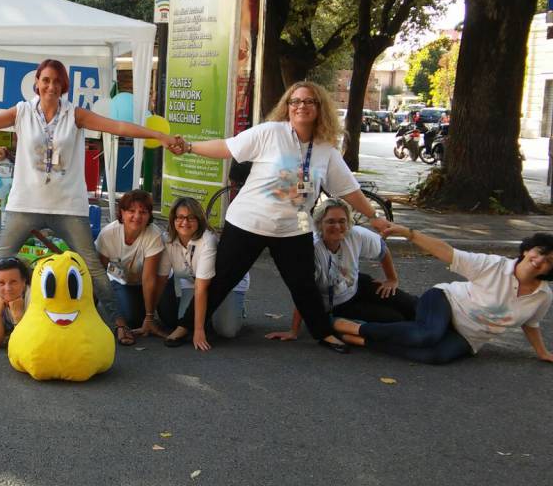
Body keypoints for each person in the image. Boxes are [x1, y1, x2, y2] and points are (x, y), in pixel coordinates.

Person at [0, 59, 185, 346]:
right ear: (37, 83)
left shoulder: (75, 115)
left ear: (64, 85)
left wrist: (159, 136)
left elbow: (117, 126)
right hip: (25, 204)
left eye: (57, 81)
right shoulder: (22, 112)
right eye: (46, 80)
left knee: (91, 266)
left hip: (68, 206)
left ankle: (118, 323)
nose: (51, 86)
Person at [181, 80, 390, 352]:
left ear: (319, 108)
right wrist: (188, 147)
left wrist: (373, 216)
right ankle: (186, 326)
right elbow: (227, 147)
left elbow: (348, 189)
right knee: (223, 278)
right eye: (295, 101)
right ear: (287, 107)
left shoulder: (325, 149)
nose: (301, 106)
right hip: (249, 220)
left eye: (308, 101)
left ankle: (323, 333)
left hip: (295, 225)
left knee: (303, 284)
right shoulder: (270, 132)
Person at [333, 228, 553, 365]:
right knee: (427, 335)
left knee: (435, 356)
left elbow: (531, 323)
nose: (540, 260)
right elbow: (448, 253)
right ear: (527, 250)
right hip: (446, 302)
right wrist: (408, 233)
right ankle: (355, 328)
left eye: (549, 261)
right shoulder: (494, 266)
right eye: (540, 252)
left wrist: (542, 353)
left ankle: (364, 341)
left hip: (469, 336)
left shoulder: (542, 296)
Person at [266, 198, 416, 341]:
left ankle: (436, 318)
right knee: (395, 319)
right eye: (330, 221)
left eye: (342, 221)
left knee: (408, 303)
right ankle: (337, 322)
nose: (337, 226)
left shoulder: (355, 234)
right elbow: (303, 292)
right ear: (319, 224)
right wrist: (294, 331)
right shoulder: (311, 250)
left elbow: (382, 249)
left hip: (356, 284)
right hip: (337, 304)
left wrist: (392, 279)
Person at [156, 197, 249, 346]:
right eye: (180, 217)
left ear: (199, 220)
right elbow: (161, 278)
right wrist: (147, 317)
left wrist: (198, 330)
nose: (184, 222)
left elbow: (202, 287)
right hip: (192, 282)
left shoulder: (208, 240)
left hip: (226, 284)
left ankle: (237, 307)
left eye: (191, 218)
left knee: (227, 331)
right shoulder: (167, 239)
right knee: (180, 319)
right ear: (173, 219)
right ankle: (209, 313)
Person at [95, 189, 164, 330]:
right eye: (131, 211)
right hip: (120, 281)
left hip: (146, 282)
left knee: (169, 318)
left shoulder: (154, 235)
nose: (137, 216)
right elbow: (99, 274)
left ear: (150, 215)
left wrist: (150, 316)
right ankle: (108, 306)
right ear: (122, 212)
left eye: (143, 212)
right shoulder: (107, 234)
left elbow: (149, 278)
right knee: (132, 319)